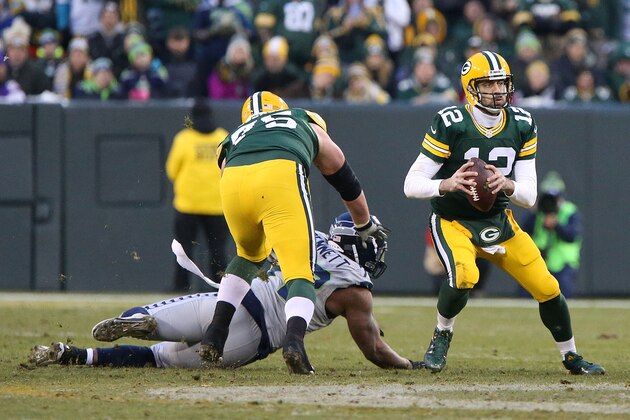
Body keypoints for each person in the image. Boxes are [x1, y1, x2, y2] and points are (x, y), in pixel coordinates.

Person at [403, 50, 604, 375]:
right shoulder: (451, 122)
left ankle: (571, 356)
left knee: (548, 287)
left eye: (502, 83)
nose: (498, 91)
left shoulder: (522, 123)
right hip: (453, 221)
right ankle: (442, 333)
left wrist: (506, 184)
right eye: (489, 84)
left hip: (499, 221)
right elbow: (411, 184)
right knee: (466, 276)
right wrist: (448, 183)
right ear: (471, 88)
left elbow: (528, 195)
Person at [28, 216, 421, 371]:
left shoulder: (309, 235)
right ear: (357, 245)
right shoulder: (356, 291)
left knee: (156, 319)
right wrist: (408, 364)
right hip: (256, 337)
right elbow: (374, 350)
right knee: (159, 361)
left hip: (231, 302)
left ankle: (138, 320)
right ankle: (77, 356)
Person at [201, 90, 389, 375]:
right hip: (280, 173)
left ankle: (215, 334)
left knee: (248, 256)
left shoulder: (234, 135)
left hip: (233, 182)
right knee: (300, 270)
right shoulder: (301, 118)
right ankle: (294, 343)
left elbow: (227, 171)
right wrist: (363, 223)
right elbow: (343, 176)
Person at [165, 100, 231, 293]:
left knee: (184, 249)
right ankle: (221, 289)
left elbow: (171, 170)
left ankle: (181, 287)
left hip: (188, 204)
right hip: (217, 204)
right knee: (218, 250)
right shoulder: (224, 137)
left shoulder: (184, 138)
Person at [520, 171, 582, 298]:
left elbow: (572, 236)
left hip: (564, 263)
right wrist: (534, 211)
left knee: (563, 294)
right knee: (525, 292)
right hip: (540, 261)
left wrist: (556, 225)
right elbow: (523, 231)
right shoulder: (538, 213)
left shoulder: (570, 211)